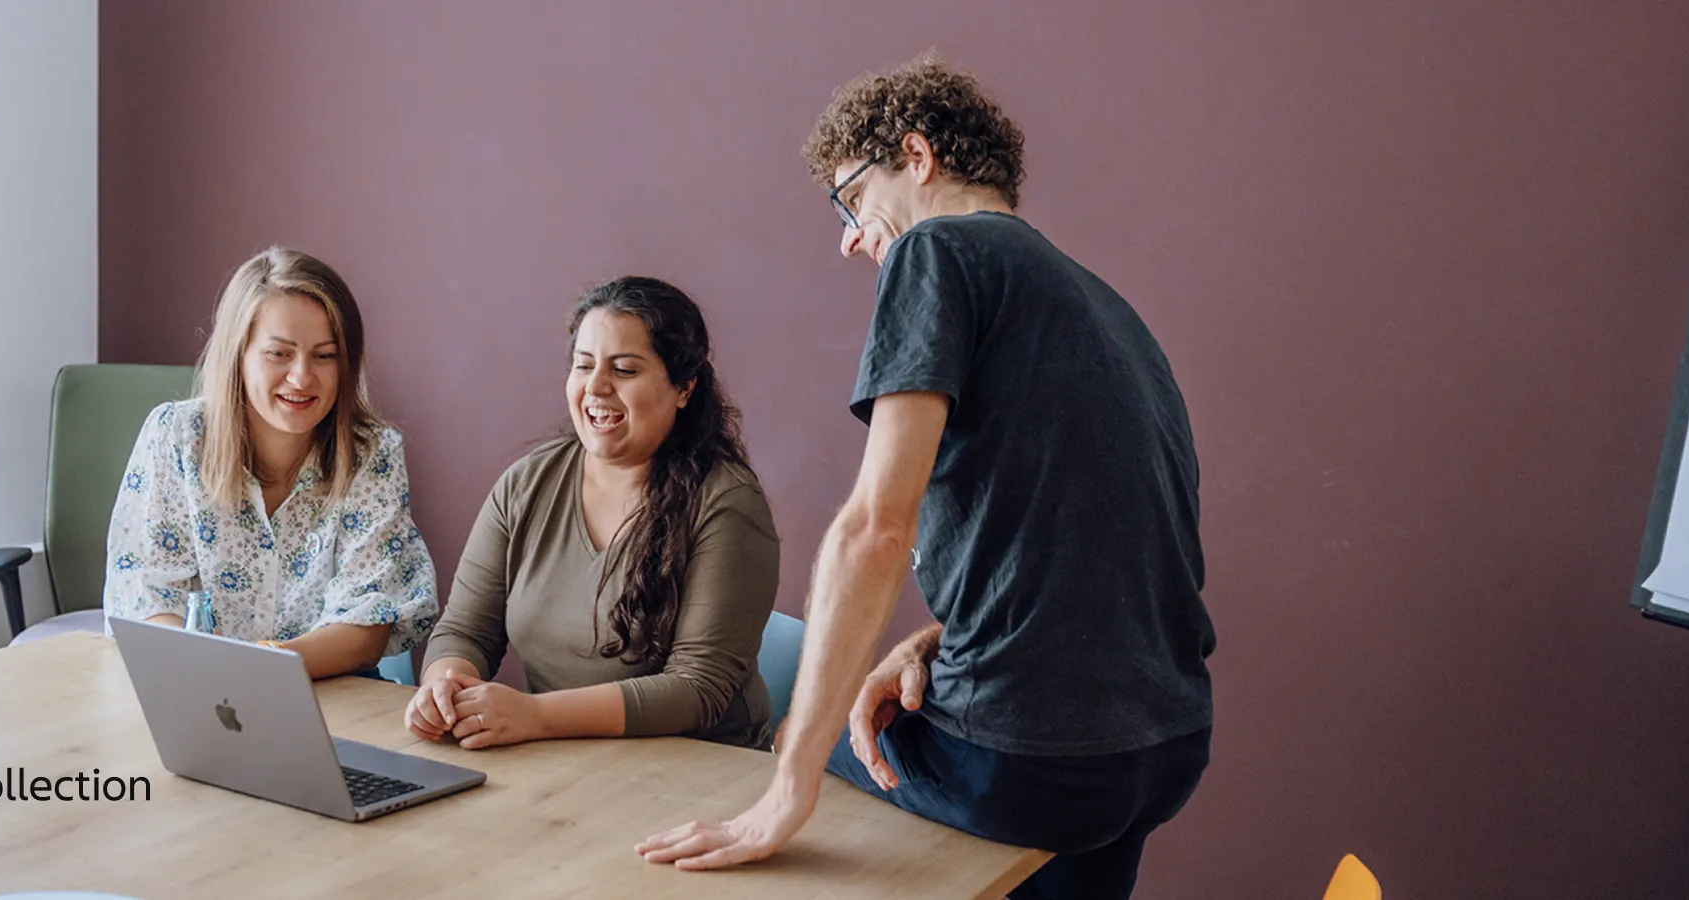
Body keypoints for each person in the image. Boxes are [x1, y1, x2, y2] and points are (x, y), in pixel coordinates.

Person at [636, 54, 1216, 900]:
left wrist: (784, 793)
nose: (850, 236)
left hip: (1028, 760)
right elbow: (1103, 544)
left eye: (851, 200)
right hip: (1161, 752)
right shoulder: (1106, 309)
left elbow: (875, 526)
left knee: (804, 739)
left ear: (917, 156)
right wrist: (929, 643)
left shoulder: (937, 249)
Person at [403, 276, 781, 750]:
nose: (596, 387)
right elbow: (465, 630)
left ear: (685, 386)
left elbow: (697, 687)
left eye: (624, 370)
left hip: (700, 773)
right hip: (562, 759)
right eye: (583, 366)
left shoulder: (727, 501)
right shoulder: (527, 483)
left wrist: (535, 715)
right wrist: (446, 683)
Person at [103, 246, 439, 679]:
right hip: (194, 689)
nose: (301, 377)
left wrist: (257, 672)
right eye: (279, 353)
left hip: (330, 693)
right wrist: (208, 675)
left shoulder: (372, 454)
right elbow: (148, 597)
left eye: (324, 355)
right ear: (237, 355)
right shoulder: (175, 436)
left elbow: (367, 621)